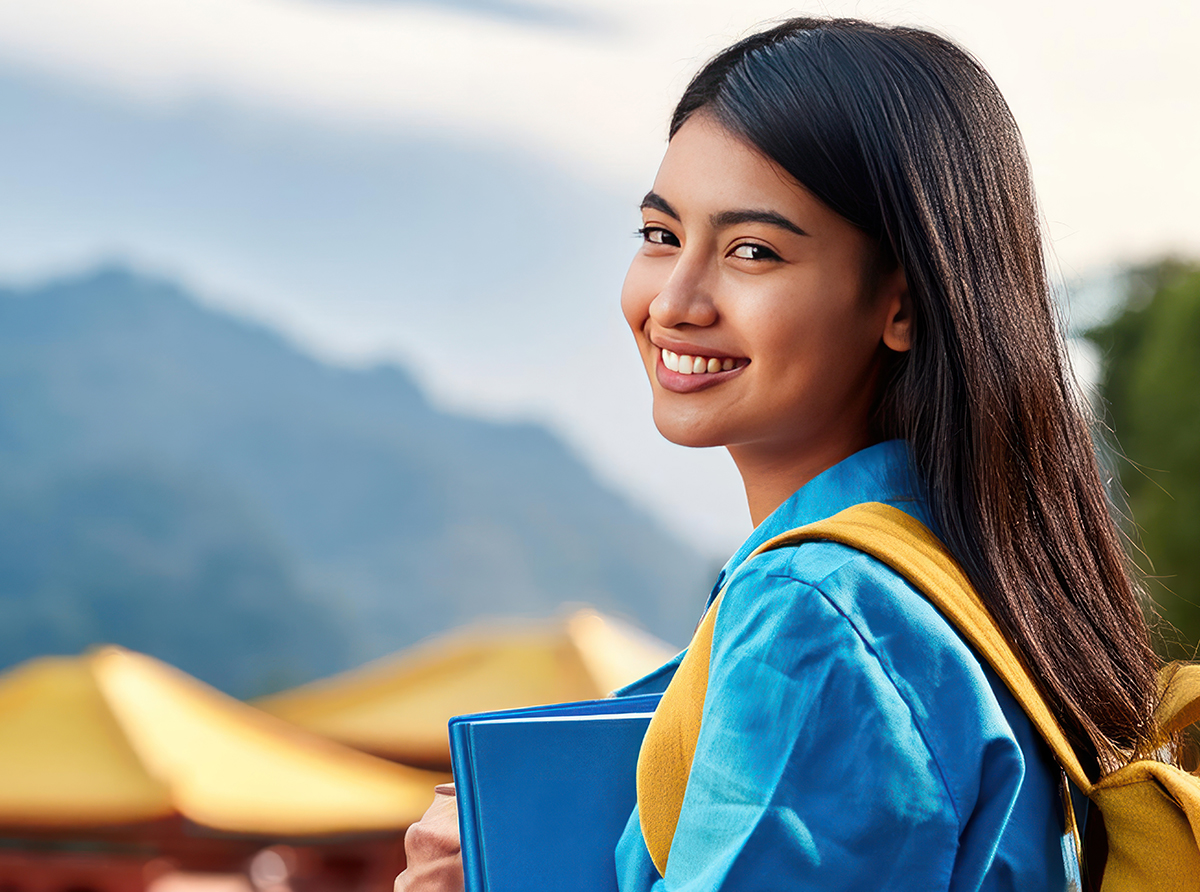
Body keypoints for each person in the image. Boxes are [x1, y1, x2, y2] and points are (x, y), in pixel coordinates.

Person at [397, 17, 1168, 891]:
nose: (676, 301)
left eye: (751, 252)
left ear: (902, 305)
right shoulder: (963, 582)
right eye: (660, 236)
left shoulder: (818, 615)